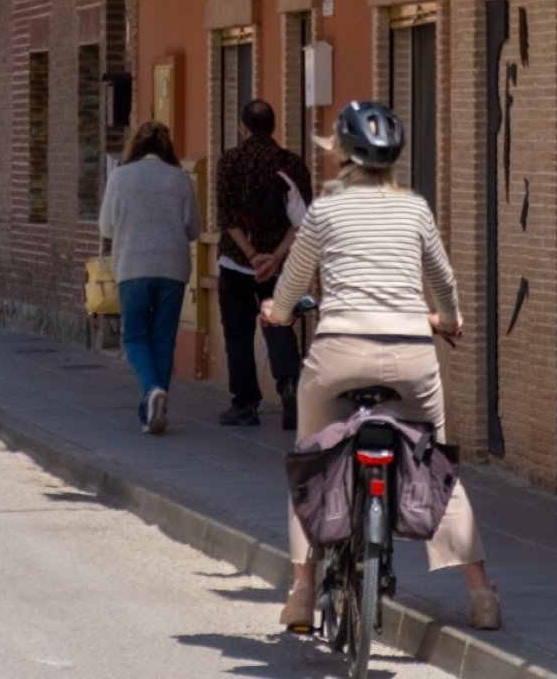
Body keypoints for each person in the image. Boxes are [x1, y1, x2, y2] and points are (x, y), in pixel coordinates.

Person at [263, 101, 501, 631]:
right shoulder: (415, 209)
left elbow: (293, 285)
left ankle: (302, 591)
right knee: (435, 464)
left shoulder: (325, 211)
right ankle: (483, 596)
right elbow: (442, 281)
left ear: (342, 155)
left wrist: (277, 313)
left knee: (311, 463)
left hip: (338, 351)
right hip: (409, 352)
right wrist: (450, 319)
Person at [213, 100, 312, 428]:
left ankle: (244, 403)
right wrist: (276, 257)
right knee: (280, 325)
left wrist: (251, 255)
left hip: (235, 260)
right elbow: (302, 221)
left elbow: (225, 216)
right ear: (273, 125)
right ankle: (289, 391)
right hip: (280, 265)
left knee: (238, 331)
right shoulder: (291, 164)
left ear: (242, 126)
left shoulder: (230, 161)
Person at [96, 121, 199, 435]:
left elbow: (106, 227)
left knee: (135, 336)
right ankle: (156, 408)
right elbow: (193, 228)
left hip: (133, 266)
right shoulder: (180, 179)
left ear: (134, 147)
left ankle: (152, 390)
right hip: (173, 267)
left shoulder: (119, 177)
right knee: (164, 338)